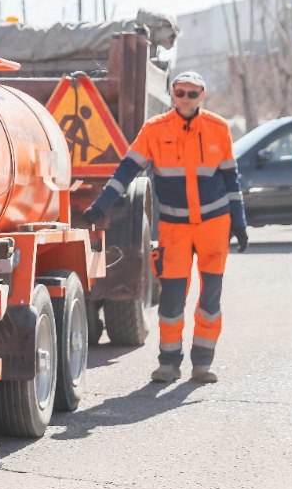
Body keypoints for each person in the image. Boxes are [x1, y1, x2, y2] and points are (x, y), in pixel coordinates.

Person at [81, 71, 247, 384]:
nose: (185, 99)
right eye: (180, 92)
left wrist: (240, 223)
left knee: (210, 297)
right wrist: (101, 205)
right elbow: (126, 169)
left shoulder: (218, 128)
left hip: (214, 225)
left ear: (202, 95)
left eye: (192, 93)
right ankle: (169, 363)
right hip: (174, 228)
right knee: (171, 297)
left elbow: (231, 180)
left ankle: (203, 362)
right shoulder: (155, 130)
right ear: (172, 94)